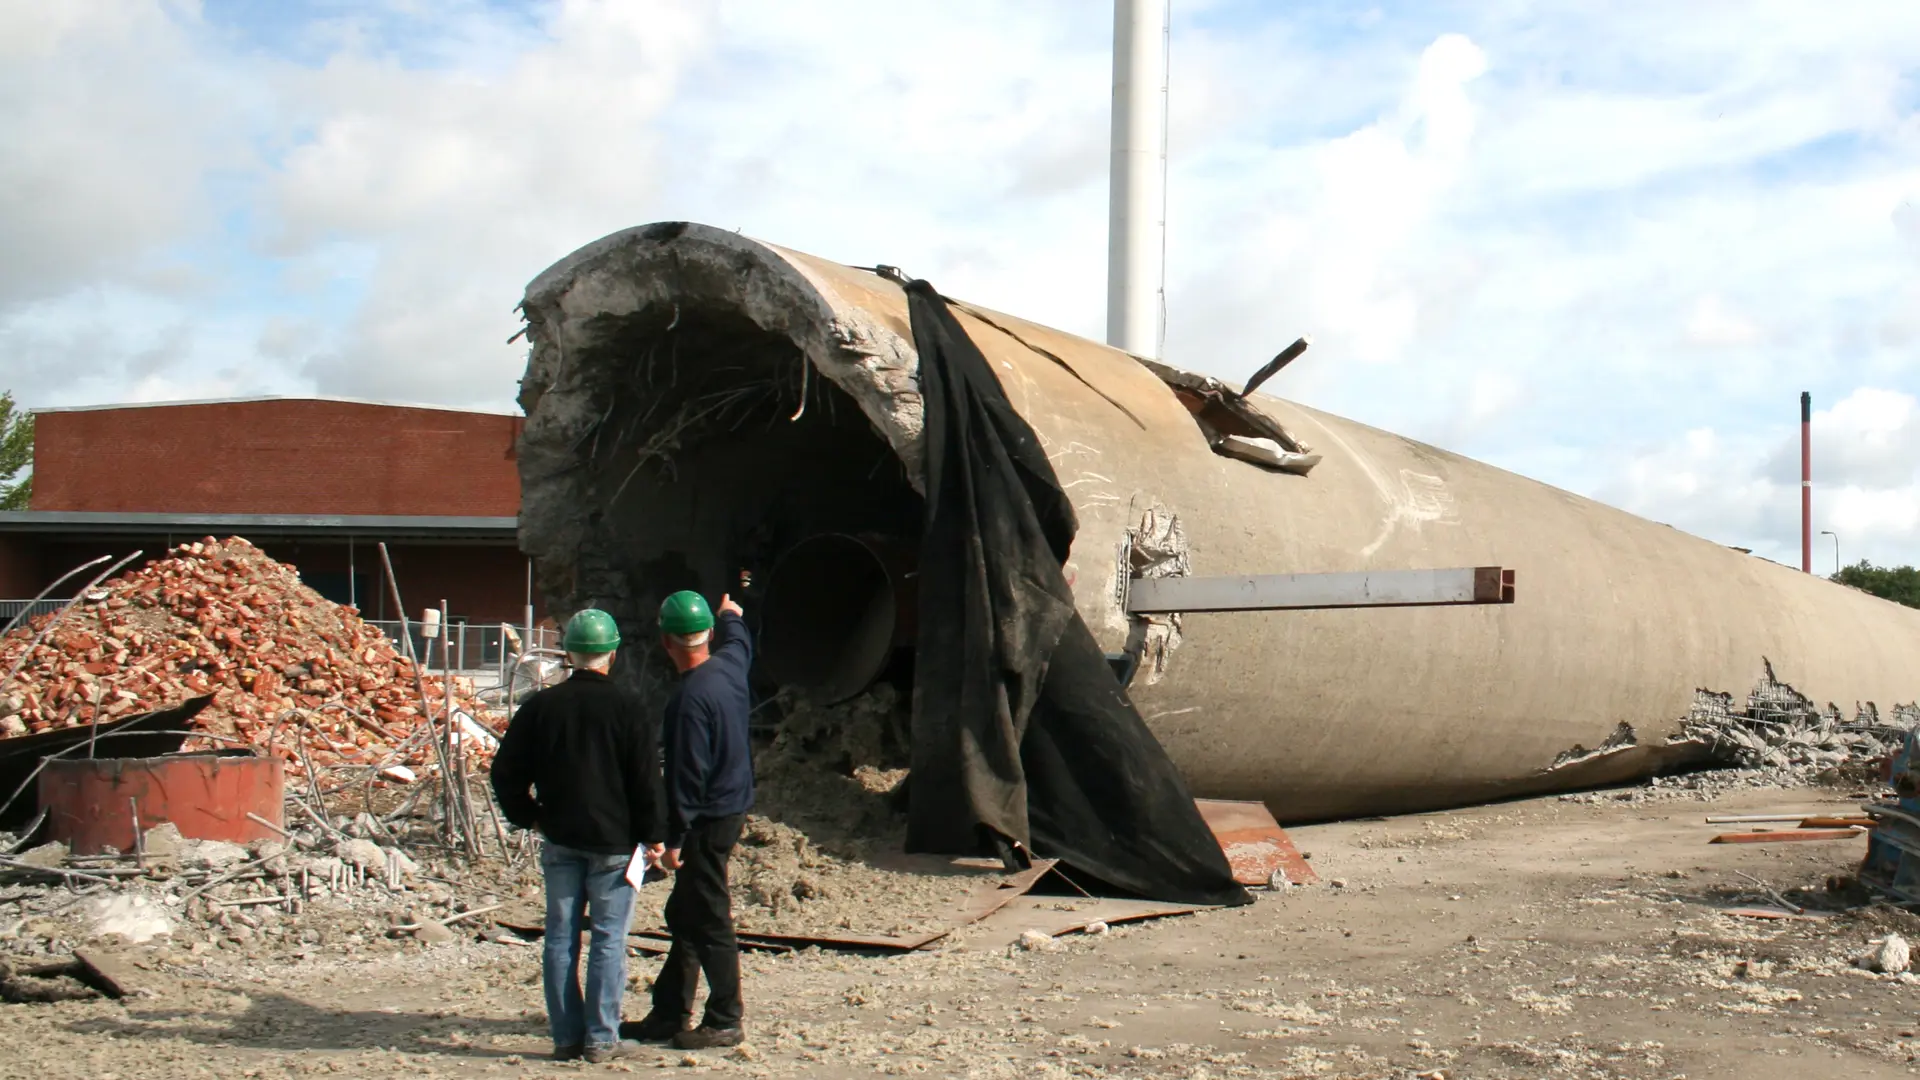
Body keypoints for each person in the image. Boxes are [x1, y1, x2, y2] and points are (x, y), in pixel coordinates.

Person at [492, 607, 666, 1063]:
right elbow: (646, 782)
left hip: (561, 838)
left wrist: (530, 816)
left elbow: (505, 772)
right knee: (608, 940)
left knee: (560, 938)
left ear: (568, 653)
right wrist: (654, 836)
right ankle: (602, 1039)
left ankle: (566, 1037)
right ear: (612, 653)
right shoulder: (628, 708)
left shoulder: (541, 707)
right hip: (614, 844)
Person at [621, 590, 755, 1050]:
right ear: (709, 634)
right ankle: (669, 1012)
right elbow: (739, 638)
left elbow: (687, 777)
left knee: (709, 915)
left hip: (706, 820)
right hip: (731, 807)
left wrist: (673, 839)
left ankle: (725, 1018)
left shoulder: (688, 701)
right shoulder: (730, 667)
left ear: (665, 642)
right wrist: (731, 613)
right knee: (685, 911)